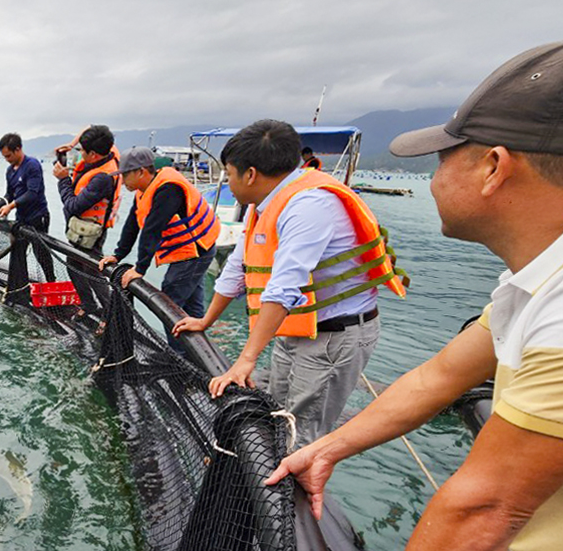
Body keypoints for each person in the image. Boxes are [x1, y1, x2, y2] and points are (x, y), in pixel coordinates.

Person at [265, 41, 563, 551]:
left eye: (441, 157)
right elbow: (438, 377)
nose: (432, 176)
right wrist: (331, 449)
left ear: (493, 167)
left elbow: (487, 507)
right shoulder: (538, 283)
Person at [172, 121, 406, 445]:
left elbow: (284, 288)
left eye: (228, 174)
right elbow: (237, 267)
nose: (227, 181)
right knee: (275, 416)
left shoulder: (309, 206)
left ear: (250, 174)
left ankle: (294, 491)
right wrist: (206, 320)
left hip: (333, 335)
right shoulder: (265, 205)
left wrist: (246, 360)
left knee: (302, 433)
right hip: (294, 330)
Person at [97, 146, 218, 322]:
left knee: (170, 303)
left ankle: (179, 350)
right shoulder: (143, 189)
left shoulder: (168, 189)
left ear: (141, 172)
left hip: (198, 249)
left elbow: (152, 229)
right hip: (188, 250)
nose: (122, 182)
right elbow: (133, 224)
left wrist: (139, 269)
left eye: (125, 175)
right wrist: (118, 254)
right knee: (191, 309)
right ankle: (194, 346)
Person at [52, 125, 121, 314]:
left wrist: (63, 179)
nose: (79, 152)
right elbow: (89, 127)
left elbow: (72, 206)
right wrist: (71, 143)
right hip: (78, 229)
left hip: (92, 232)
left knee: (93, 272)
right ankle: (88, 304)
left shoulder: (103, 178)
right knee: (73, 265)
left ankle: (108, 314)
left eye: (81, 150)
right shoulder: (109, 149)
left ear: (93, 155)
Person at [0, 132, 56, 282]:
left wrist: (11, 206)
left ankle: (51, 281)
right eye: (4, 157)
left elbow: (32, 193)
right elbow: (9, 194)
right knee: (17, 251)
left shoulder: (32, 165)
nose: (7, 160)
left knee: (41, 253)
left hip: (37, 217)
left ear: (18, 149)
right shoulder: (10, 171)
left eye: (9, 155)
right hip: (21, 219)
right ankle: (19, 284)